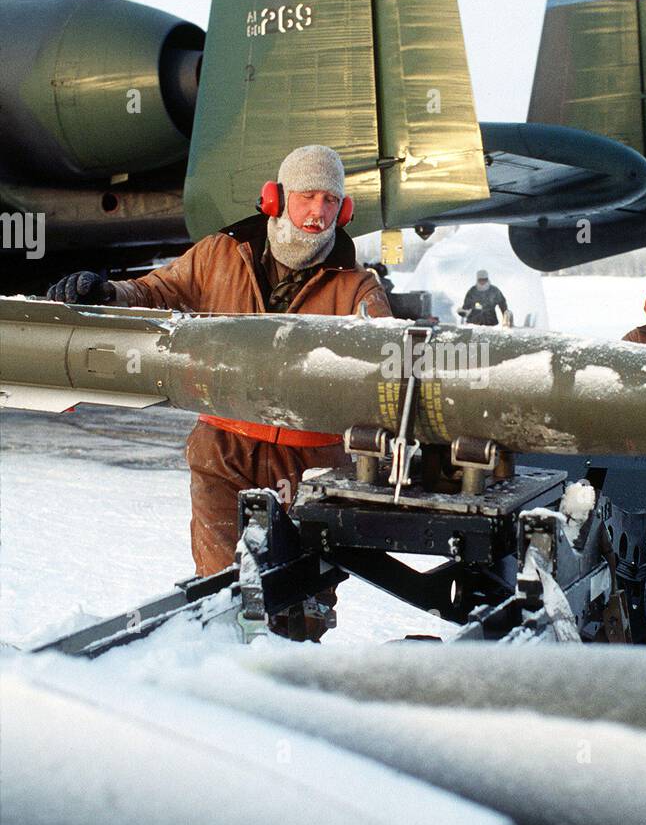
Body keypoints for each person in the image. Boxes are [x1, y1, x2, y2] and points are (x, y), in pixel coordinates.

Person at [46, 145, 393, 631]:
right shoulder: (221, 254)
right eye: (307, 196)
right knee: (220, 591)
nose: (318, 212)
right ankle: (223, 671)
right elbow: (156, 291)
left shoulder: (357, 287)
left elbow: (388, 362)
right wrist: (106, 292)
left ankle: (282, 687)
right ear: (276, 198)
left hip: (311, 465)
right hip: (222, 453)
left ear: (345, 208)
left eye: (331, 200)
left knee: (302, 601)